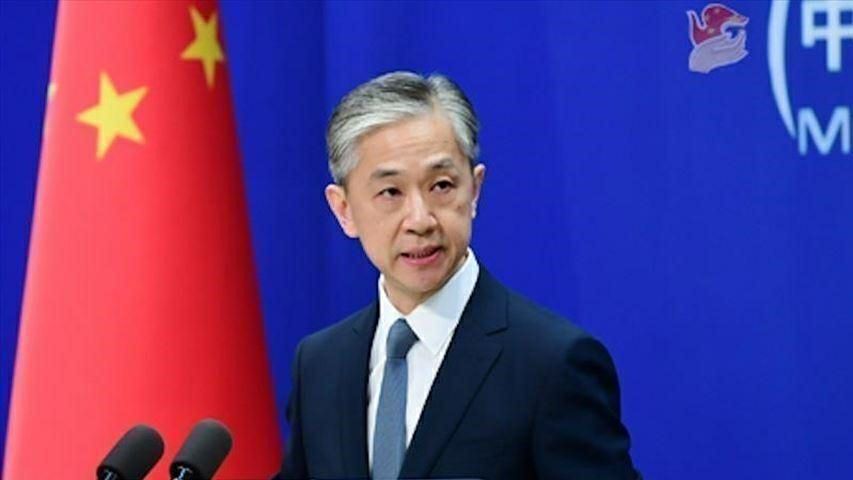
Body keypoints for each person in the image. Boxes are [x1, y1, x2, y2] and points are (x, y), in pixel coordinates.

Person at [276, 72, 639, 480]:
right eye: (391, 192)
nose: (420, 220)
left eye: (442, 185)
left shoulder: (551, 363)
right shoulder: (320, 364)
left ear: (474, 189)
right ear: (343, 210)